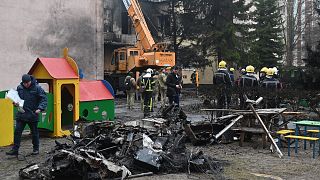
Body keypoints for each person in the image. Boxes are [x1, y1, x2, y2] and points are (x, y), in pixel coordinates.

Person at [6, 74, 47, 156]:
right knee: (17, 132)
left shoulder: (37, 88)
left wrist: (40, 108)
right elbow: (17, 99)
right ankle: (15, 150)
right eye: (25, 83)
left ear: (30, 81)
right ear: (22, 82)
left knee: (34, 133)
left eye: (28, 83)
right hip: (22, 114)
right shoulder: (20, 88)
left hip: (33, 114)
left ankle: (36, 149)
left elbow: (44, 99)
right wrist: (15, 103)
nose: (26, 85)